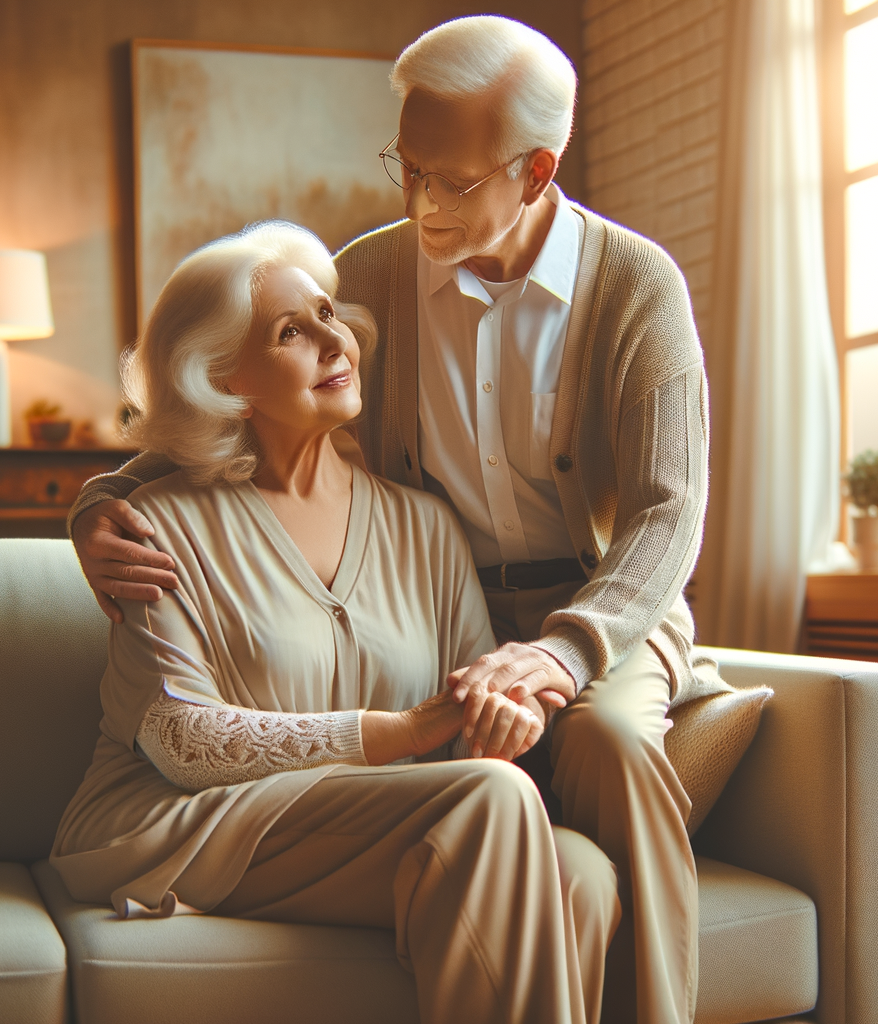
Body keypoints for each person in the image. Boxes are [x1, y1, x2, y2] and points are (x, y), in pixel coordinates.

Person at [67, 17, 727, 1024]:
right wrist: (99, 501)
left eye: (450, 181)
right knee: (530, 842)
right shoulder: (370, 271)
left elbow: (667, 513)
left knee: (610, 748)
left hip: (596, 606)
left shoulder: (636, 286)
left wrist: (563, 652)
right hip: (456, 617)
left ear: (536, 168)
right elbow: (227, 401)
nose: (420, 201)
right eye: (406, 168)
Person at [49, 221, 618, 1024]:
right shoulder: (153, 526)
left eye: (328, 313)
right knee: (488, 804)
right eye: (290, 331)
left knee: (582, 876)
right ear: (223, 380)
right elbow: (181, 740)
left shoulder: (427, 526)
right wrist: (403, 730)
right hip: (186, 821)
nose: (332, 338)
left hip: (375, 816)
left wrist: (504, 712)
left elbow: (474, 725)